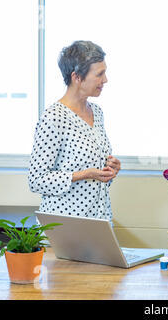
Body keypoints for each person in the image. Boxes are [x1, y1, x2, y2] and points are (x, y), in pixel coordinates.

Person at [28, 40, 120, 221]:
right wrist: (84, 174)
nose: (105, 80)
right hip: (65, 224)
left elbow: (94, 175)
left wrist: (110, 170)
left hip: (98, 220)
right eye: (99, 74)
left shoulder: (97, 112)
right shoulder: (53, 118)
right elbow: (36, 180)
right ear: (76, 77)